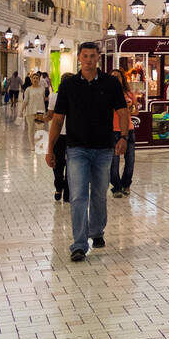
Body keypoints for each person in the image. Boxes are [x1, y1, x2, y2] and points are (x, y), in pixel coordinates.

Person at [46, 43, 130, 262]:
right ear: (79, 58)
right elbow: (57, 119)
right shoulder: (69, 85)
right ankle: (79, 244)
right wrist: (50, 149)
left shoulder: (110, 83)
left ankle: (97, 231)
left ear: (98, 58)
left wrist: (123, 137)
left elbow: (122, 112)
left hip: (104, 148)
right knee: (78, 195)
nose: (89, 60)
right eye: (85, 56)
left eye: (93, 56)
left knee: (100, 194)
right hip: (76, 149)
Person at [47, 73, 76, 203]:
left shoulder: (55, 96)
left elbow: (50, 115)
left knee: (60, 165)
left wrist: (43, 118)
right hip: (63, 134)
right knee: (65, 164)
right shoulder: (55, 97)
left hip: (65, 135)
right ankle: (62, 188)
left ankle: (61, 188)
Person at [110, 69, 137, 198]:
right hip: (113, 130)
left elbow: (135, 111)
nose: (116, 79)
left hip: (129, 130)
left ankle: (126, 184)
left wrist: (131, 107)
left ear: (122, 79)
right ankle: (116, 187)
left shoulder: (129, 94)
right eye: (113, 77)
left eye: (118, 77)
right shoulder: (106, 94)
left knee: (130, 160)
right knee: (113, 161)